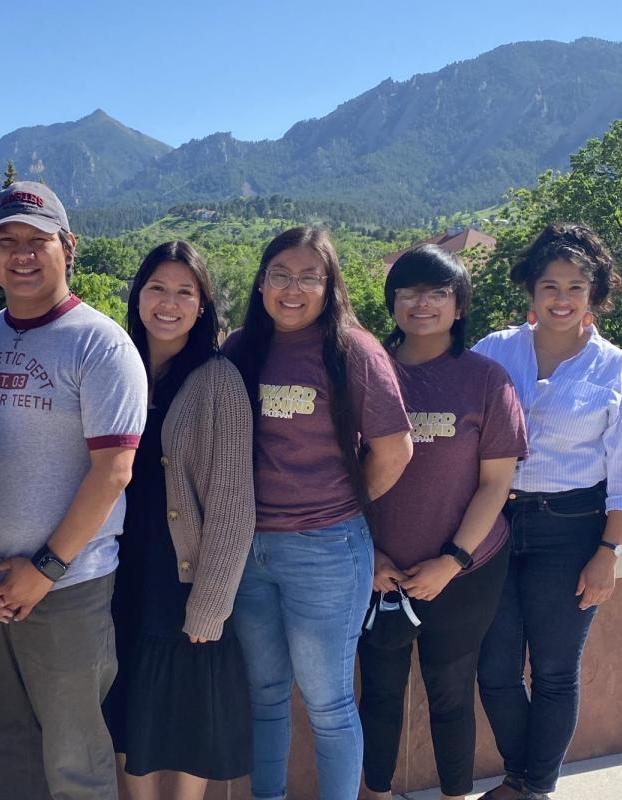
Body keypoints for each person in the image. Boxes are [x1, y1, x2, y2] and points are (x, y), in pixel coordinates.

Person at [0, 181, 147, 800]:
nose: (21, 254)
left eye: (37, 241)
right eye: (5, 241)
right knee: (1, 743)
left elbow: (113, 470)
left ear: (69, 247)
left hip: (68, 587)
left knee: (74, 755)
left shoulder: (102, 344)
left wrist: (44, 571)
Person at [224, 226, 413, 800]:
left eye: (310, 277)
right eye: (280, 274)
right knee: (265, 695)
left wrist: (338, 507)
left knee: (329, 700)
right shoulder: (239, 349)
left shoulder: (353, 349)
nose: (293, 288)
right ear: (261, 283)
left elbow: (395, 448)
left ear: (330, 286)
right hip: (248, 550)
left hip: (326, 550)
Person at [473, 223, 622, 800]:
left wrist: (609, 552)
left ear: (595, 294)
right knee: (494, 668)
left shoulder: (619, 372)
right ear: (530, 289)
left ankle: (530, 785)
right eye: (550, 284)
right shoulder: (493, 352)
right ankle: (524, 778)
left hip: (572, 529)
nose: (561, 298)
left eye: (576, 286)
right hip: (492, 524)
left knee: (552, 671)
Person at [356, 245, 527, 800]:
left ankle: (456, 794)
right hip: (376, 567)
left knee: (450, 692)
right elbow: (337, 474)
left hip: (465, 569)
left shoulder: (486, 380)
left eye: (437, 293)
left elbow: (495, 484)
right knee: (378, 693)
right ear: (392, 301)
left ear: (459, 306)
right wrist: (370, 555)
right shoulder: (363, 369)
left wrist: (451, 562)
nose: (421, 303)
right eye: (407, 291)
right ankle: (376, 793)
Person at [105, 241, 256, 800]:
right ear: (137, 296)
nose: (169, 304)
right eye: (157, 289)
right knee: (128, 706)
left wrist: (212, 602)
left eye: (184, 293)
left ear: (202, 306)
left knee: (187, 715)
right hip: (117, 570)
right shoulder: (113, 367)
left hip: (184, 575)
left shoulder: (218, 381)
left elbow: (234, 504)